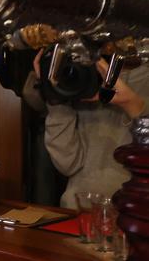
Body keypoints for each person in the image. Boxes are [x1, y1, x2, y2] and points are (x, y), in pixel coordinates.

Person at [27, 51, 149, 209]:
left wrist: (134, 105)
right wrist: (55, 96)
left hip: (137, 218)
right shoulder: (84, 73)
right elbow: (67, 164)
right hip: (79, 213)